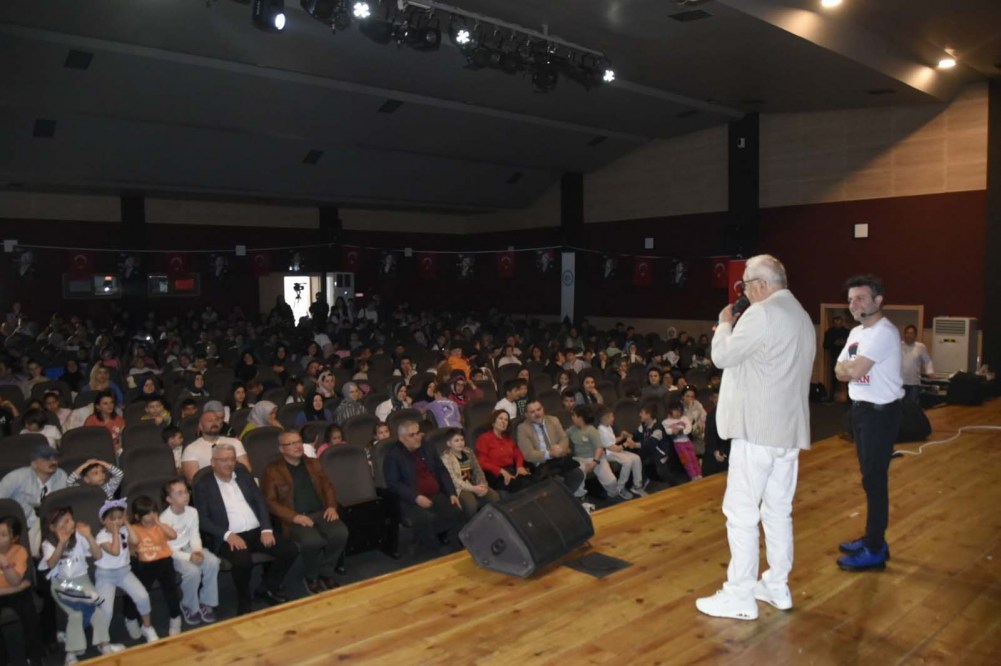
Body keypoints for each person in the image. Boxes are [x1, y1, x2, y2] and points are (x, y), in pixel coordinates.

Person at [696, 254, 815, 621]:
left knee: (741, 512)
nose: (743, 292)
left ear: (762, 285)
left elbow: (722, 356)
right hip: (787, 432)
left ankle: (740, 594)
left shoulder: (761, 314)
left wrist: (724, 324)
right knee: (778, 509)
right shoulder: (802, 316)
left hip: (757, 430)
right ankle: (777, 585)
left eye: (745, 285)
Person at [834, 274, 904, 572]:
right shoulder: (856, 333)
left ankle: (875, 548)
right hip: (861, 411)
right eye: (851, 299)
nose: (854, 304)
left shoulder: (884, 332)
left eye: (861, 298)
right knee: (869, 479)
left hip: (880, 414)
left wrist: (850, 368)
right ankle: (873, 538)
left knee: (875, 481)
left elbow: (853, 369)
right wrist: (849, 368)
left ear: (878, 300)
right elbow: (838, 370)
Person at [193, 443, 298, 615]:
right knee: (243, 561)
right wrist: (227, 535)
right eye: (224, 460)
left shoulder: (244, 476)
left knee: (290, 549)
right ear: (213, 462)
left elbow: (260, 502)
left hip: (256, 531)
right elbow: (202, 519)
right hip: (229, 535)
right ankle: (244, 598)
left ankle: (266, 588)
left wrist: (266, 529)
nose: (229, 463)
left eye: (232, 459)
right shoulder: (203, 485)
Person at [262, 431, 349, 595]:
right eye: (291, 444)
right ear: (281, 449)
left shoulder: (314, 463)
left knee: (340, 533)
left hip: (321, 512)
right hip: (295, 518)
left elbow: (328, 487)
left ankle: (326, 572)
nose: (297, 446)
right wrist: (294, 517)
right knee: (312, 541)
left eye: (298, 442)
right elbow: (270, 502)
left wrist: (331, 506)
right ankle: (311, 577)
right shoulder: (272, 470)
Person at [39, 506, 125, 663]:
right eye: (65, 521)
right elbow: (51, 564)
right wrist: (61, 543)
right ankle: (71, 653)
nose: (71, 523)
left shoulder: (78, 537)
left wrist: (89, 536)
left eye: (71, 519)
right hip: (62, 584)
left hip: (82, 581)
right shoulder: (48, 544)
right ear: (52, 527)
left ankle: (103, 645)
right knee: (76, 615)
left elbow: (98, 556)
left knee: (97, 612)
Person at [383, 420, 464, 556]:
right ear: (402, 438)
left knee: (455, 511)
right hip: (410, 499)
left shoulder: (428, 447)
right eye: (412, 435)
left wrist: (452, 493)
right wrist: (416, 497)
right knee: (426, 518)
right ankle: (431, 551)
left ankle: (451, 544)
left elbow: (441, 470)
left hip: (435, 494)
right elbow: (393, 484)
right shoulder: (393, 456)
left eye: (418, 433)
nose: (417, 437)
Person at [93, 499, 159, 643]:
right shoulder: (101, 537)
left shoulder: (124, 530)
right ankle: (103, 642)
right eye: (112, 519)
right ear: (103, 521)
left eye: (119, 518)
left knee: (143, 596)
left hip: (124, 572)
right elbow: (115, 551)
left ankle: (147, 627)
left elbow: (135, 541)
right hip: (105, 576)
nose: (117, 522)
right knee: (106, 610)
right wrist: (115, 533)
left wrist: (127, 524)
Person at [160, 478, 220, 626]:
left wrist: (198, 551)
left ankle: (206, 601)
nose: (186, 495)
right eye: (180, 493)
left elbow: (194, 535)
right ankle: (189, 605)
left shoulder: (192, 512)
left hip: (190, 548)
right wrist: (189, 557)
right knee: (193, 572)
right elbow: (168, 549)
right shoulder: (164, 519)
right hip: (174, 554)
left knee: (213, 562)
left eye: (186, 491)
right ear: (169, 499)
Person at [127, 496, 184, 637]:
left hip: (164, 561)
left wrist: (159, 523)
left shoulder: (160, 526)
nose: (151, 515)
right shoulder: (134, 528)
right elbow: (132, 545)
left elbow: (173, 536)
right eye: (147, 513)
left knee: (171, 591)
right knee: (138, 593)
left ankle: (175, 617)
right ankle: (131, 617)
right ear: (137, 516)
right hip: (144, 564)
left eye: (154, 511)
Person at [0, 444, 68, 556]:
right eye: (47, 459)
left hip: (51, 525)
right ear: (34, 464)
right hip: (23, 526)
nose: (53, 462)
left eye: (55, 458)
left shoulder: (61, 475)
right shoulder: (16, 477)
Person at [515, 400, 586, 501]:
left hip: (559, 458)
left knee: (577, 474)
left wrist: (560, 448)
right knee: (556, 481)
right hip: (541, 463)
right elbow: (528, 454)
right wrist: (549, 454)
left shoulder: (553, 420)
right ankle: (561, 502)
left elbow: (564, 438)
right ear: (526, 415)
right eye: (532, 412)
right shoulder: (522, 428)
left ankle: (564, 501)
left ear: (543, 409)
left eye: (539, 409)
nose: (537, 413)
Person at [0, 514, 45, 666]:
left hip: (16, 592)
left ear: (14, 539)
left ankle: (35, 657)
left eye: (3, 535)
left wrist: (4, 562)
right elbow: (19, 584)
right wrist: (19, 587)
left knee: (29, 614)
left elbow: (15, 581)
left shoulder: (20, 551)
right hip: (10, 591)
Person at [440, 428, 500, 518]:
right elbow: (454, 480)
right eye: (456, 441)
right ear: (449, 443)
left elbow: (477, 470)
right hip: (460, 488)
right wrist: (473, 489)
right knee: (471, 504)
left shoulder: (468, 452)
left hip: (473, 483)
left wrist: (483, 484)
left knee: (494, 497)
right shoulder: (446, 458)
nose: (460, 443)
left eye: (462, 440)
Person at [566, 406, 622, 499]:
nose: (572, 417)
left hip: (597, 458)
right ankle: (580, 497)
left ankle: (614, 495)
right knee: (578, 473)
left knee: (611, 481)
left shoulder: (591, 430)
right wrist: (565, 447)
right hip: (580, 459)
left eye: (574, 415)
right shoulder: (572, 429)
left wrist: (594, 462)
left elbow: (599, 448)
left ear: (580, 418)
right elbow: (563, 437)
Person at [475, 410, 534, 493]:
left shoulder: (507, 438)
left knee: (532, 478)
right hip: (495, 474)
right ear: (493, 421)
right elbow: (482, 462)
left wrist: (519, 466)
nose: (503, 421)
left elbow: (517, 453)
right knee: (522, 484)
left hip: (511, 469)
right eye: (500, 418)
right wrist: (501, 471)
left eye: (506, 420)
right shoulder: (484, 438)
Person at [181, 412, 250, 481]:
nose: (214, 423)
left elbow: (247, 470)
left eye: (216, 420)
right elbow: (194, 480)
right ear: (201, 426)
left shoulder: (235, 442)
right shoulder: (191, 449)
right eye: (210, 421)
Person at [594, 406, 647, 496]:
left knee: (636, 458)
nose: (613, 418)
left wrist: (622, 437)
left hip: (614, 450)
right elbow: (613, 448)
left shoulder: (608, 427)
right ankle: (620, 488)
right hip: (608, 453)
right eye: (611, 417)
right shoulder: (601, 431)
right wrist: (626, 444)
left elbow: (613, 441)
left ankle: (637, 486)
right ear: (604, 419)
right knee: (627, 461)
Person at [662, 400, 702, 481]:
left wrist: (681, 432)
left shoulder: (684, 418)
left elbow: (689, 428)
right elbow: (667, 431)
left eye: (680, 411)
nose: (678, 413)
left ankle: (699, 474)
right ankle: (693, 476)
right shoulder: (666, 422)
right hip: (678, 445)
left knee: (693, 458)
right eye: (675, 411)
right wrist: (672, 431)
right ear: (670, 411)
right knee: (686, 460)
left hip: (688, 442)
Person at [900, 324, 934, 404]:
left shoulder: (920, 347)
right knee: (900, 405)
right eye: (907, 333)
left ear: (915, 335)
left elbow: (927, 360)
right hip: (900, 382)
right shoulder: (898, 345)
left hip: (914, 383)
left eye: (911, 333)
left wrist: (930, 371)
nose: (908, 335)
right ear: (904, 334)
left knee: (912, 405)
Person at [823, 315, 850, 401]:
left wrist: (844, 343)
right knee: (834, 378)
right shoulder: (829, 332)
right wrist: (834, 343)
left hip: (846, 357)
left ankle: (849, 398)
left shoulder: (847, 332)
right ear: (833, 323)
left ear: (842, 322)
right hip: (834, 357)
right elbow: (825, 345)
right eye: (836, 323)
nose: (837, 325)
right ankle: (831, 397)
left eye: (839, 323)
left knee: (848, 376)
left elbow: (852, 345)